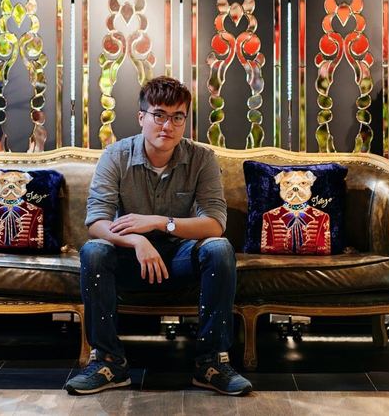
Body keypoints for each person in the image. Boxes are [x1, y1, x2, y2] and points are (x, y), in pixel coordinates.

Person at [64, 76, 252, 396]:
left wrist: (158, 223)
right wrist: (137, 240)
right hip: (131, 259)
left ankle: (211, 363)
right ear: (142, 117)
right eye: (159, 115)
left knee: (219, 249)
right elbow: (96, 221)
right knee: (94, 251)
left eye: (177, 117)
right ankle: (108, 362)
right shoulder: (116, 156)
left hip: (179, 258)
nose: (167, 126)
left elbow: (214, 224)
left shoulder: (201, 158)